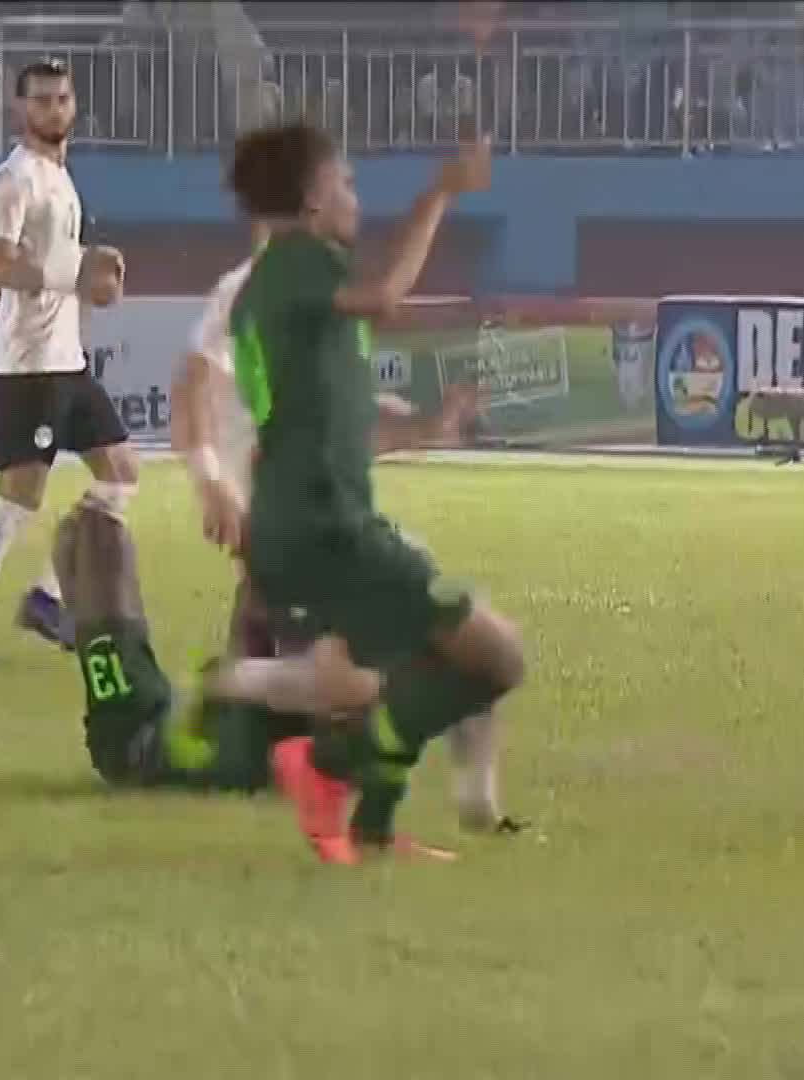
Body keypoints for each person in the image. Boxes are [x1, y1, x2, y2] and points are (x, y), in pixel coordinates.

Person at [224, 121, 529, 864]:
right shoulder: (298, 262)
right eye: (347, 182)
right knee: (496, 658)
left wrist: (427, 426)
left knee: (411, 667)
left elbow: (321, 422)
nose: (356, 197)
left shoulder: (284, 290)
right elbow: (387, 292)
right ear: (311, 198)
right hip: (327, 528)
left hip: (308, 524)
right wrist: (442, 192)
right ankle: (329, 765)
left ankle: (374, 827)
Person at [172, 223, 520, 832]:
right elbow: (190, 389)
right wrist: (212, 481)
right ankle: (233, 684)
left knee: (426, 646)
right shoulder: (251, 292)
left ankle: (477, 803)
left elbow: (346, 430)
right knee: (399, 664)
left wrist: (432, 426)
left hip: (336, 528)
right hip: (290, 532)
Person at [56, 386, 490, 795]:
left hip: (142, 744)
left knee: (93, 534)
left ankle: (73, 607)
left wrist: (234, 677)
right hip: (232, 720)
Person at [0, 59, 135, 661]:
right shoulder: (13, 180)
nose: (54, 109)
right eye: (41, 100)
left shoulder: (60, 179)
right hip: (31, 363)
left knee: (120, 473)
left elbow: (57, 261)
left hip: (66, 360)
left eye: (62, 98)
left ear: (74, 105)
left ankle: (49, 597)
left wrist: (95, 264)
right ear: (20, 109)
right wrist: (76, 274)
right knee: (19, 495)